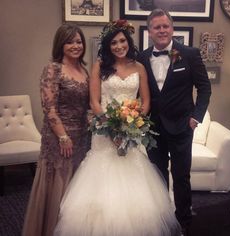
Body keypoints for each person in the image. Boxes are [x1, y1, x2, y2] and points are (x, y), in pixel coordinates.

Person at [54, 19, 181, 236]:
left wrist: (132, 125)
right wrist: (111, 128)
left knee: (134, 177)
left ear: (128, 42)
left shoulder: (139, 67)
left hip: (132, 132)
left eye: (122, 41)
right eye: (113, 43)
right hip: (104, 133)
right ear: (108, 45)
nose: (119, 46)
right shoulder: (99, 66)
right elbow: (94, 102)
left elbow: (146, 102)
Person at [137, 9, 211, 235]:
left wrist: (196, 117)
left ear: (172, 28)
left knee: (181, 177)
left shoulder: (189, 54)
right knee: (157, 176)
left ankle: (184, 221)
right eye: (156, 27)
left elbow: (204, 88)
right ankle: (162, 219)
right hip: (153, 128)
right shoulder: (141, 57)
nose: (161, 30)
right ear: (149, 32)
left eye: (165, 26)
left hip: (181, 126)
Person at [22, 23, 90, 236]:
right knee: (59, 185)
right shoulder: (53, 68)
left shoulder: (84, 70)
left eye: (78, 41)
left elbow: (86, 107)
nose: (75, 46)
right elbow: (49, 108)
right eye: (70, 41)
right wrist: (63, 137)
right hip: (59, 137)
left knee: (75, 185)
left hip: (82, 136)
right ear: (61, 44)